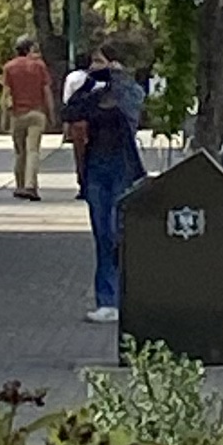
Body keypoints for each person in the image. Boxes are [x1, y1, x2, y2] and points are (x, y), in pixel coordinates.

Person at [64, 50, 142, 325]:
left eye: (101, 61)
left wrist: (118, 77)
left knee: (116, 231)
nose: (96, 66)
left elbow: (131, 108)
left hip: (122, 168)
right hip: (96, 169)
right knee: (102, 234)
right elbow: (70, 111)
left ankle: (124, 296)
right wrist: (89, 82)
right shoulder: (94, 97)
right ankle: (107, 300)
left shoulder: (129, 94)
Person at [1, 38, 53, 201]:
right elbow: (46, 92)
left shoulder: (9, 67)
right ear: (29, 49)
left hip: (17, 115)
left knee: (19, 152)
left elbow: (6, 94)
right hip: (36, 113)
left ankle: (19, 185)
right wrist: (51, 114)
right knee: (33, 151)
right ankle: (30, 185)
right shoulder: (39, 66)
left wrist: (4, 118)